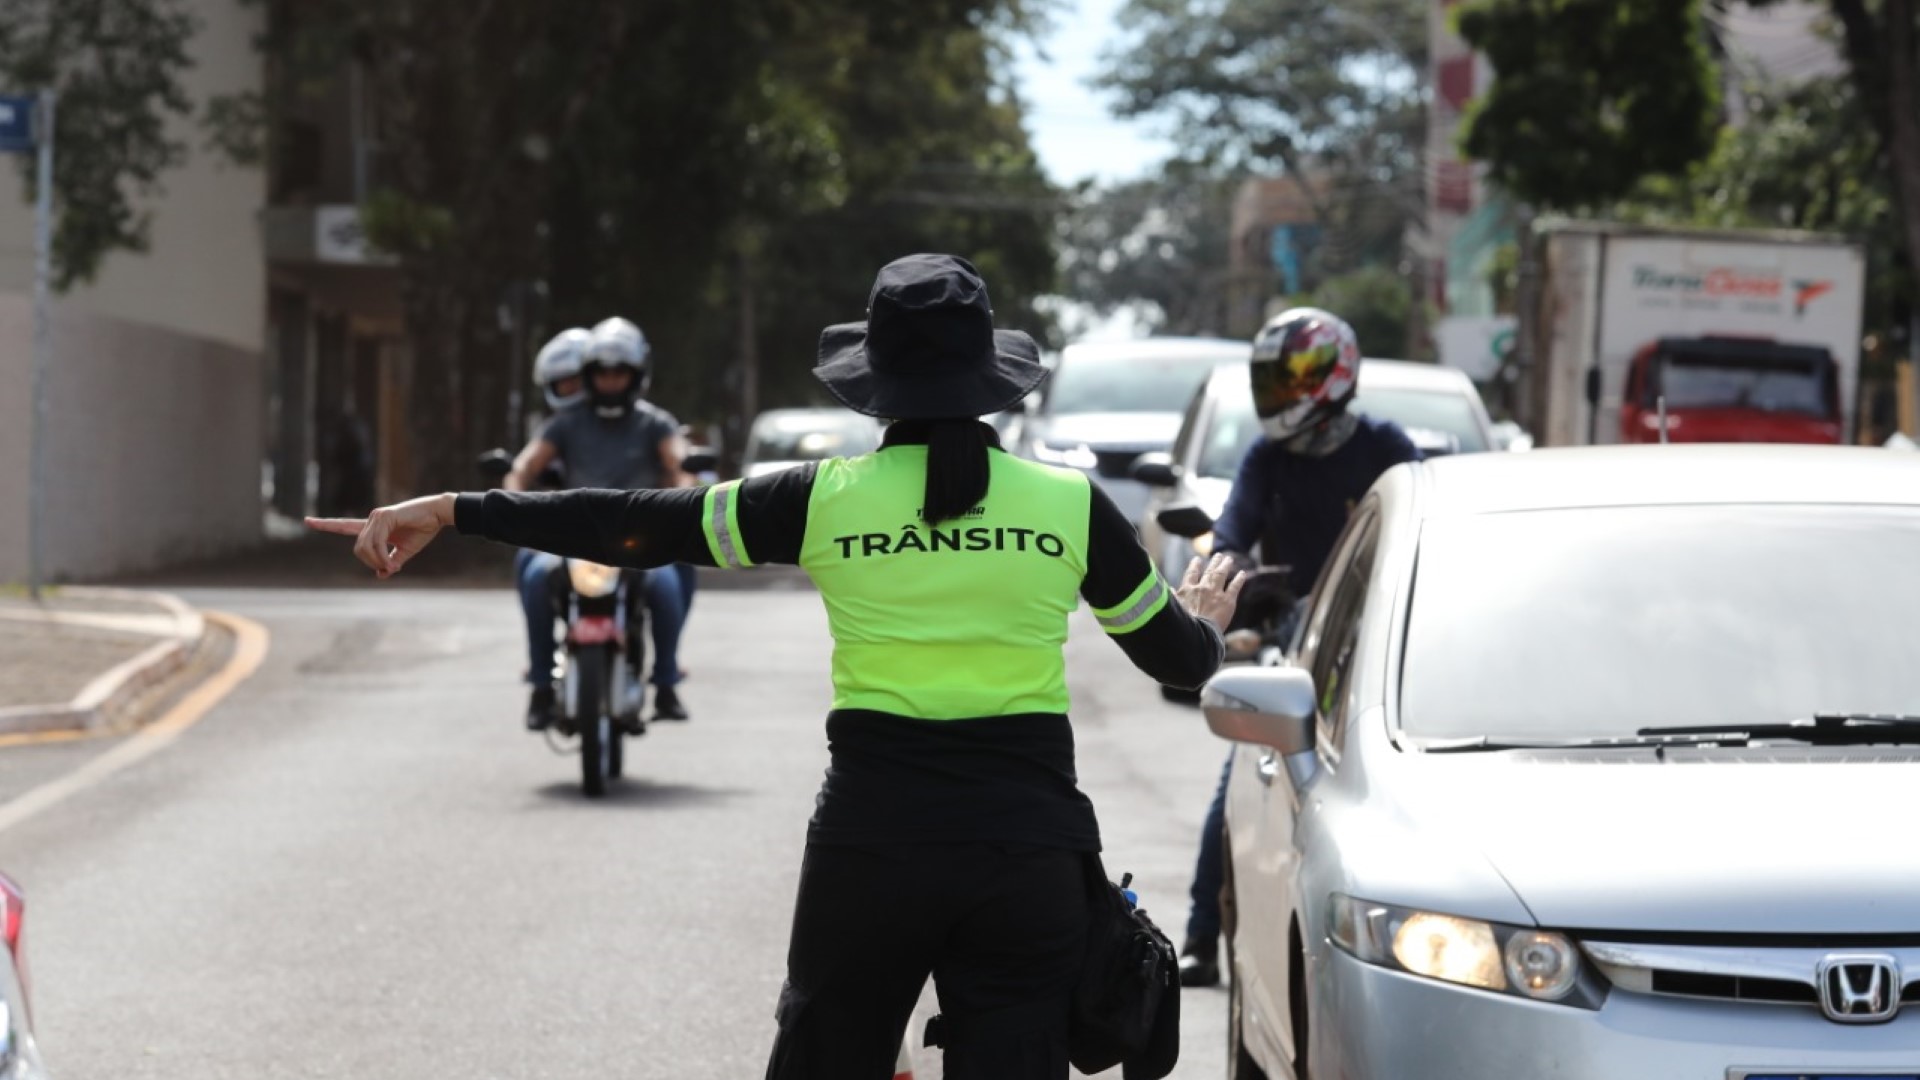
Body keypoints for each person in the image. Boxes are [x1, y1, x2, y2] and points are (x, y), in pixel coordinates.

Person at [308, 253, 1245, 1079]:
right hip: (1030, 851)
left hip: (872, 845)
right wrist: (1204, 621)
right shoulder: (1070, 506)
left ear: (874, 381)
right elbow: (1179, 662)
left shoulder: (823, 500)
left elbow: (631, 521)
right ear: (990, 377)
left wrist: (456, 508)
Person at [1175, 307, 1421, 989]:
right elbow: (1231, 532)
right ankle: (1200, 935)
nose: (1284, 392)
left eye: (1298, 378)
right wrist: (1229, 581)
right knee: (1239, 783)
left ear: (1336, 374)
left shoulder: (1384, 448)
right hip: (1296, 650)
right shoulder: (1269, 457)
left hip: (1376, 649)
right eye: (1275, 379)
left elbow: (1423, 530)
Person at [502, 317, 698, 729]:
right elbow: (526, 464)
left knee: (670, 580)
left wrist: (684, 494)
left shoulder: (654, 422)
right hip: (573, 534)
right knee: (534, 573)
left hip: (641, 536)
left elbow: (678, 463)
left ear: (636, 375)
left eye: (619, 372)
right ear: (589, 375)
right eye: (602, 373)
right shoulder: (566, 423)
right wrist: (513, 495)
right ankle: (541, 686)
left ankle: (665, 682)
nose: (610, 381)